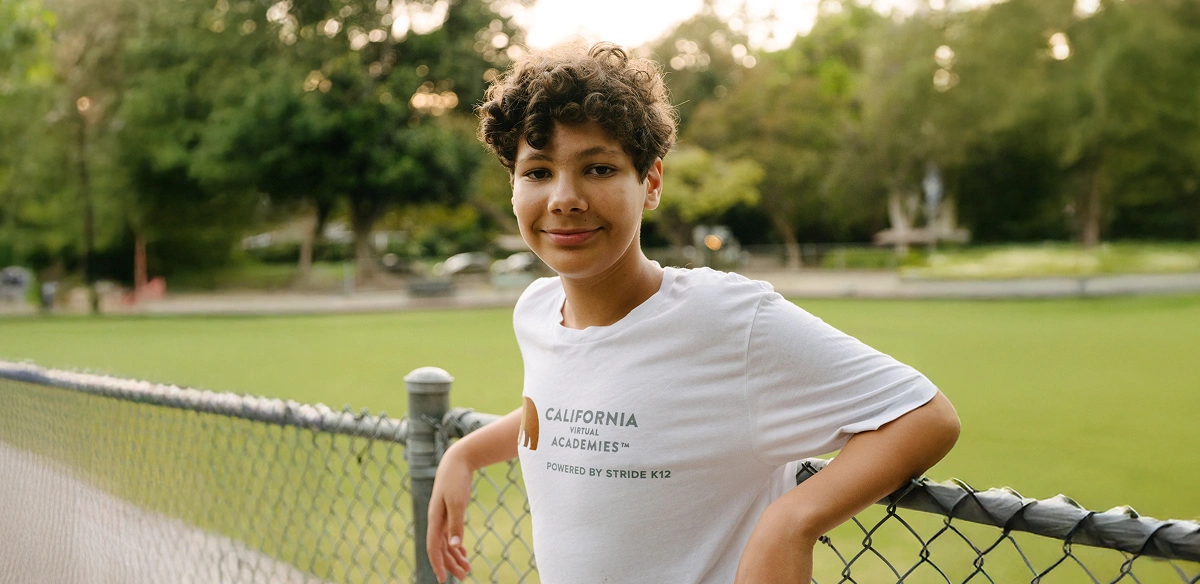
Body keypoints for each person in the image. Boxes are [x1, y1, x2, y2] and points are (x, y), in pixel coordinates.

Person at [426, 41, 960, 584]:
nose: (564, 198)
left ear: (651, 183)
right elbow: (571, 407)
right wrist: (466, 454)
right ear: (513, 186)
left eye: (599, 168)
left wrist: (791, 522)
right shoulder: (536, 312)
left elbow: (926, 415)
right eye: (538, 172)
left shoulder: (729, 320)